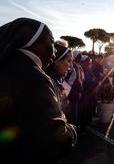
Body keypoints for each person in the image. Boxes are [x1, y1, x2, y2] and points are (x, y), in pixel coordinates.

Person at [0, 18, 77, 164]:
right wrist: (71, 130)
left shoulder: (8, 67)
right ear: (36, 43)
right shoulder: (35, 78)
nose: (55, 49)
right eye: (51, 41)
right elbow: (53, 140)